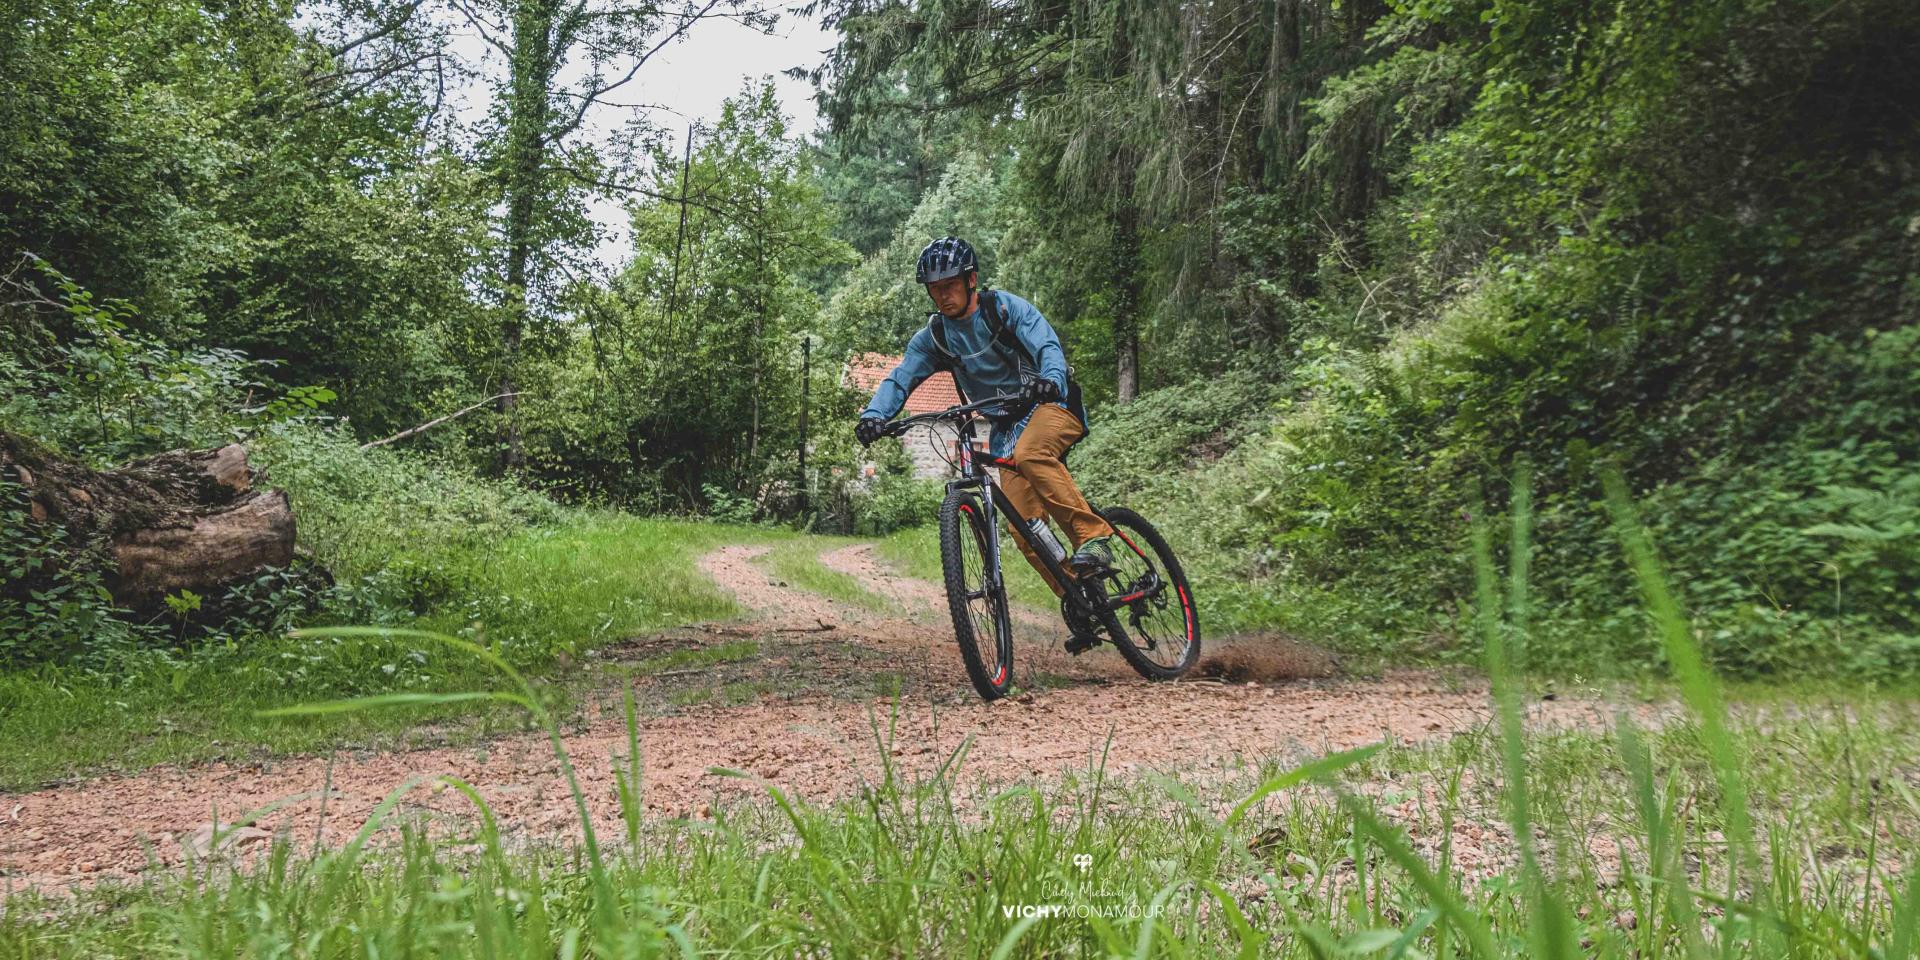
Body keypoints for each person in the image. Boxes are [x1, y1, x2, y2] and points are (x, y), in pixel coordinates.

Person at [855, 236, 1115, 593]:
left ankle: (1095, 537)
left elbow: (1047, 345)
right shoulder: (935, 337)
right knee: (1024, 526)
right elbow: (901, 377)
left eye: (950, 285)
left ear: (971, 280)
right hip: (1006, 427)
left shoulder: (1004, 310)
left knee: (1032, 453)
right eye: (935, 289)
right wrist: (875, 415)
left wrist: (1051, 380)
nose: (943, 295)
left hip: (1052, 404)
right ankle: (1080, 596)